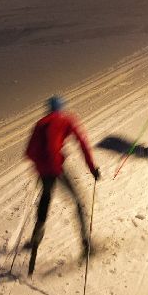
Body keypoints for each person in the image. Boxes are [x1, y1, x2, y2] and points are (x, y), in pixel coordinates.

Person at [23, 95, 99, 275]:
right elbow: (82, 143)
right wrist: (92, 168)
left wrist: (40, 163)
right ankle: (86, 243)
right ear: (61, 108)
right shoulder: (66, 120)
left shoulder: (40, 123)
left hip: (43, 169)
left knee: (46, 197)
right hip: (57, 166)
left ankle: (37, 233)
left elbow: (29, 152)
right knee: (78, 201)